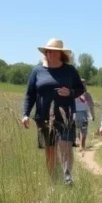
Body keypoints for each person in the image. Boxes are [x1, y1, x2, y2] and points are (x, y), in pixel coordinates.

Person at [21, 39, 85, 185]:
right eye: (47, 50)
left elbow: (80, 89)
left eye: (52, 51)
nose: (49, 53)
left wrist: (70, 92)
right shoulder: (37, 71)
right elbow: (30, 94)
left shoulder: (69, 70)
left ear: (60, 54)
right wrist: (25, 114)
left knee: (65, 146)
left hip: (66, 116)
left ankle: (67, 177)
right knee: (50, 152)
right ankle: (54, 184)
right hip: (43, 118)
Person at [75, 86, 95, 154]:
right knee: (83, 130)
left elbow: (91, 105)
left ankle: (80, 144)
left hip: (76, 114)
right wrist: (92, 115)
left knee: (79, 129)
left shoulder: (73, 93)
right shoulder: (86, 94)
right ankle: (82, 145)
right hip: (82, 114)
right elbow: (91, 105)